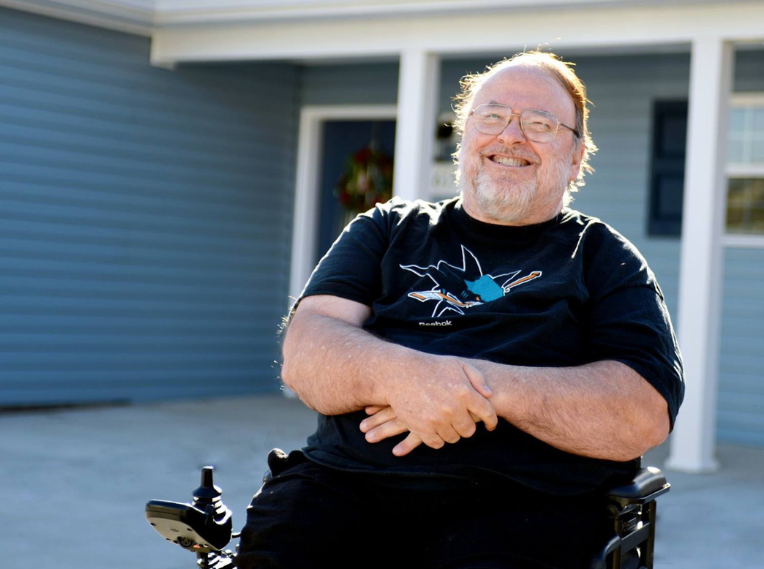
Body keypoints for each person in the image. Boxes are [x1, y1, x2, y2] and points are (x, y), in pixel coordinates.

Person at [236, 51, 684, 569]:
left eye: (540, 123)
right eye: (491, 116)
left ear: (576, 156)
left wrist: (464, 388)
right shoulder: (386, 229)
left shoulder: (603, 256)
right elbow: (307, 354)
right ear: (466, 136)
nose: (511, 136)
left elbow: (641, 414)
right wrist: (405, 375)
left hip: (525, 504)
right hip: (343, 487)